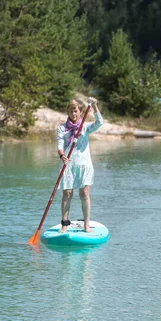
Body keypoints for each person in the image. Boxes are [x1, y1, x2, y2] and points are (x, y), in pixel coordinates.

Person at [56, 97, 103, 233]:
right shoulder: (62, 129)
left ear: (80, 111)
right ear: (68, 112)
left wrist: (94, 106)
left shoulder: (85, 127)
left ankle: (86, 225)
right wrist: (61, 155)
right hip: (68, 164)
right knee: (67, 194)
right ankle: (64, 225)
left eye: (76, 111)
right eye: (71, 111)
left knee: (84, 193)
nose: (73, 114)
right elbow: (60, 144)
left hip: (84, 165)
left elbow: (100, 122)